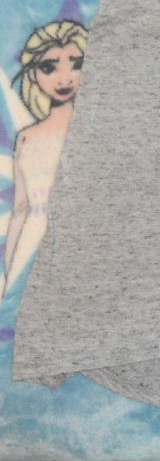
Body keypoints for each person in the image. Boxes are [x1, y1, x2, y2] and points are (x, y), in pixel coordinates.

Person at [1, 20, 88, 300]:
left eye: (76, 64)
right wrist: (9, 274)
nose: (64, 79)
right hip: (32, 245)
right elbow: (21, 210)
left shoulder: (97, 131)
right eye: (49, 68)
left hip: (84, 244)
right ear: (33, 73)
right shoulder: (27, 139)